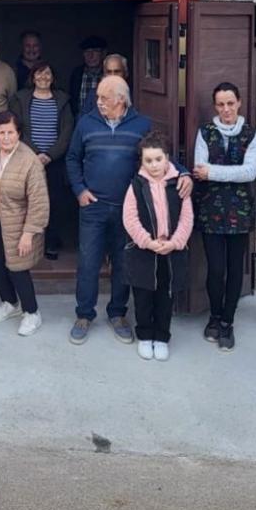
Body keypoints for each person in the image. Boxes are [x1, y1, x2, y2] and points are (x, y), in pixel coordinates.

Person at [66, 75, 192, 345]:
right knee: (88, 263)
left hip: (129, 209)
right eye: (98, 97)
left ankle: (117, 314)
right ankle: (84, 315)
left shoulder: (142, 125)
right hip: (93, 208)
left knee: (124, 264)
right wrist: (79, 190)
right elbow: (73, 158)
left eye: (104, 98)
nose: (98, 102)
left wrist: (184, 173)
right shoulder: (86, 123)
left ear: (121, 100)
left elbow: (160, 156)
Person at [194, 81, 256, 353]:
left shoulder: (252, 134)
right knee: (216, 269)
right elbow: (200, 169)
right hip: (211, 210)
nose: (226, 109)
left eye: (230, 103)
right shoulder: (205, 132)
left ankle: (227, 322)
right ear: (215, 106)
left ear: (239, 103)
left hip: (240, 212)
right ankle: (213, 316)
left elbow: (250, 173)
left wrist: (214, 172)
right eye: (221, 104)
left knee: (235, 269)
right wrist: (220, 171)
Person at [0, 111, 49, 337]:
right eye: (1, 132)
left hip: (20, 222)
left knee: (17, 267)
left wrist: (29, 233)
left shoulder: (30, 160)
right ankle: (9, 302)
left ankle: (32, 312)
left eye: (11, 132)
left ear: (19, 134)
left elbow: (39, 202)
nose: (6, 137)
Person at [123, 131, 193, 362]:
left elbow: (186, 218)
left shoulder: (179, 185)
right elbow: (130, 218)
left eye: (158, 159)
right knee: (143, 295)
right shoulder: (136, 186)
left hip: (170, 251)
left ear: (167, 158)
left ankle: (162, 337)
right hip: (145, 250)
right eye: (148, 161)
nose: (154, 165)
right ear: (142, 162)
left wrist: (174, 243)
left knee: (165, 295)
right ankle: (145, 335)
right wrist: (147, 242)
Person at [10, 60, 73, 260]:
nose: (43, 78)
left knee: (53, 202)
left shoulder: (62, 99)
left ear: (53, 78)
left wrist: (50, 155)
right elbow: (17, 129)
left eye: (47, 74)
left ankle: (51, 243)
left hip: (54, 161)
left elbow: (67, 131)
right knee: (28, 201)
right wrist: (36, 154)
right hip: (28, 160)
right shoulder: (20, 98)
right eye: (39, 74)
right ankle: (29, 243)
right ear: (33, 76)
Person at [69, 35, 107, 115]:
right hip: (81, 121)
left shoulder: (109, 74)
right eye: (87, 52)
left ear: (104, 53)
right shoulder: (77, 74)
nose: (91, 55)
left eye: (95, 51)